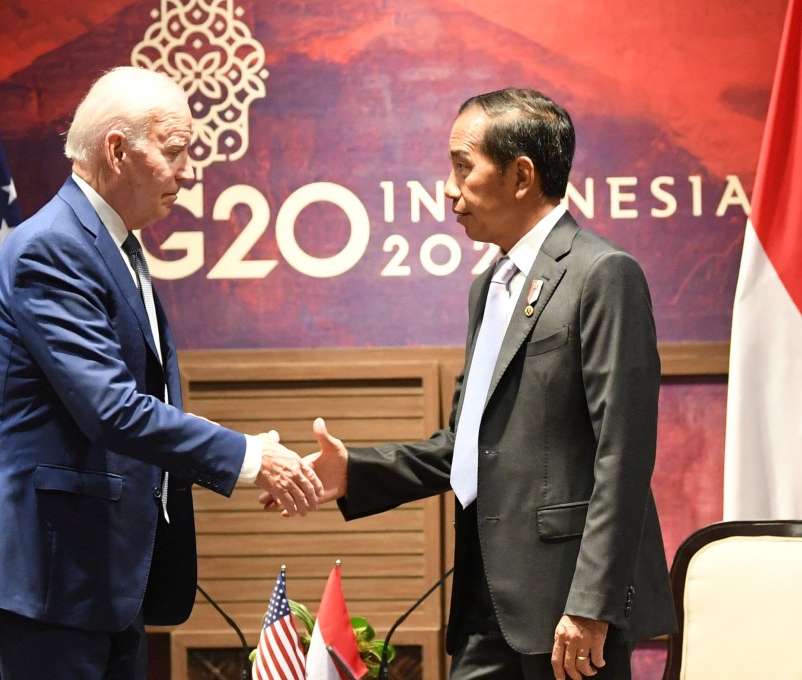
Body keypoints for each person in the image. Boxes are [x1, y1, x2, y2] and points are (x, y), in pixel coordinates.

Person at [266, 88, 676, 680]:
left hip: (571, 610)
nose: (449, 187)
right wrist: (355, 472)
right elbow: (467, 446)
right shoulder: (491, 286)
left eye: (463, 165)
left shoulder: (603, 274)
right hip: (489, 604)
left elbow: (625, 453)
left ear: (521, 175)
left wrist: (591, 605)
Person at [0, 66, 323, 680]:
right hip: (47, 575)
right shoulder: (53, 248)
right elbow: (110, 409)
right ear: (118, 149)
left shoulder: (114, 243)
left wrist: (239, 451)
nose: (188, 171)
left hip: (102, 575)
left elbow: (138, 399)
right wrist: (247, 457)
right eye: (175, 152)